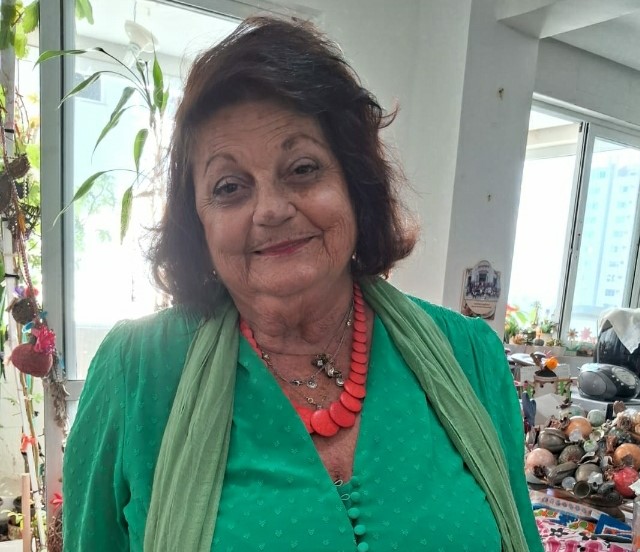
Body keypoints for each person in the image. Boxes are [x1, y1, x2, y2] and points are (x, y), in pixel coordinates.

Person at [63, 16, 542, 552]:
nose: (270, 209)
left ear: (355, 184)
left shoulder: (470, 358)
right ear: (197, 222)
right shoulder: (136, 375)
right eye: (230, 187)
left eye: (302, 169)